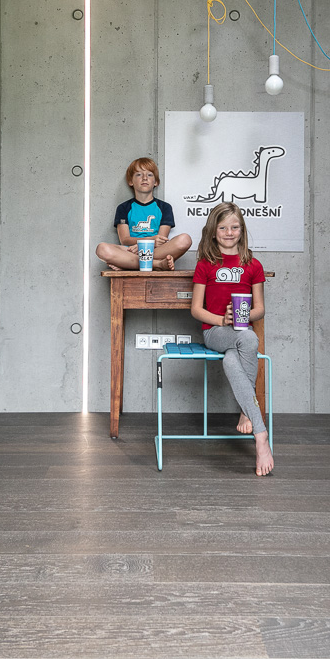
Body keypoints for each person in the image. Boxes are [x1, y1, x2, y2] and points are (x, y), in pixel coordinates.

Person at [189, 202, 273, 476]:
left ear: (242, 230)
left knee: (232, 358)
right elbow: (196, 309)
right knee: (248, 339)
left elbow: (260, 309)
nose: (229, 232)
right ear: (213, 232)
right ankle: (258, 428)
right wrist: (221, 320)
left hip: (240, 335)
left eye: (234, 227)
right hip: (215, 332)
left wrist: (243, 315)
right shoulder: (205, 264)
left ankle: (256, 427)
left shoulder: (253, 265)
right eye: (223, 227)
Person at [95, 157, 192, 271]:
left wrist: (144, 245)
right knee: (102, 249)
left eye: (150, 175)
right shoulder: (123, 208)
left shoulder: (165, 207)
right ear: (131, 181)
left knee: (185, 240)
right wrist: (148, 241)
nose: (145, 178)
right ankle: (157, 264)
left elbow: (161, 240)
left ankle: (126, 263)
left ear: (156, 182)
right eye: (139, 174)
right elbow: (125, 240)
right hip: (130, 250)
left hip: (155, 250)